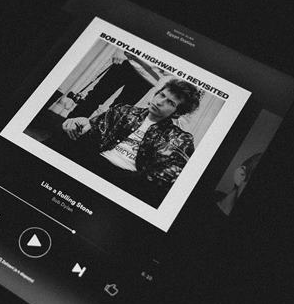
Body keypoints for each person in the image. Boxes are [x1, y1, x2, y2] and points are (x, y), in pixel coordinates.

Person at [59, 78, 202, 208]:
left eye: (170, 103)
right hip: (95, 160)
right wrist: (81, 123)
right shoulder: (124, 110)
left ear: (177, 113)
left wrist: (125, 178)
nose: (160, 102)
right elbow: (94, 130)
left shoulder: (179, 138)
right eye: (161, 95)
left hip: (127, 181)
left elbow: (167, 175)